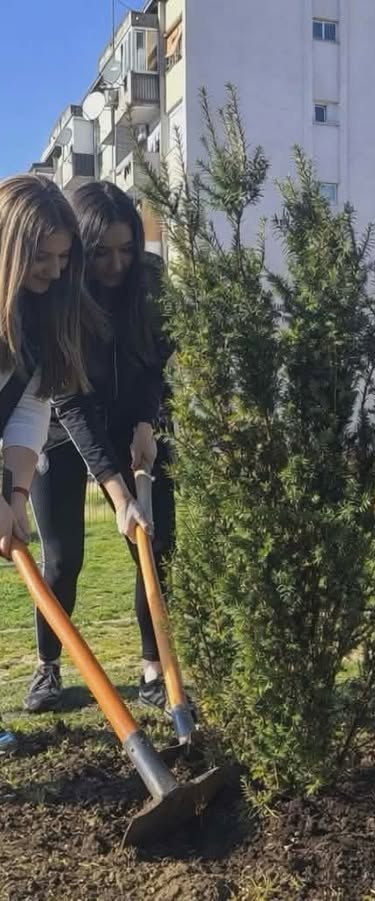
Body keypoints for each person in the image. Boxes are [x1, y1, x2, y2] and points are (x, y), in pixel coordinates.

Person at [26, 180, 174, 716]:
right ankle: (47, 669)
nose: (117, 264)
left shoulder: (151, 284)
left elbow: (158, 362)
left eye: (127, 248)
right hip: (64, 432)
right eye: (103, 252)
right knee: (63, 559)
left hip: (138, 425)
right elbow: (69, 403)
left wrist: (145, 423)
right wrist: (116, 492)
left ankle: (155, 671)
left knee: (154, 546)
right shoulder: (64, 297)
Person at [0, 174, 104, 752]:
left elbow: (30, 412)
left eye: (64, 258)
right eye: (42, 257)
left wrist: (14, 498)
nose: (56, 271)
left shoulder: (41, 316)